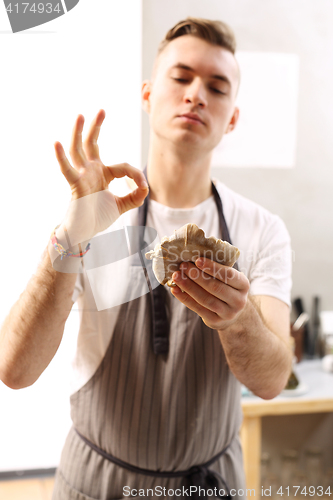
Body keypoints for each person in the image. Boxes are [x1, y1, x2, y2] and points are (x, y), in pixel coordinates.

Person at [0, 17, 292, 500]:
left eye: (217, 87)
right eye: (180, 78)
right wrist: (71, 239)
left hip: (209, 485)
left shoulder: (260, 231)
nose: (196, 94)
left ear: (232, 117)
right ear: (148, 95)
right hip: (96, 483)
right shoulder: (98, 216)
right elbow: (14, 369)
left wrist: (238, 319)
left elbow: (272, 380)